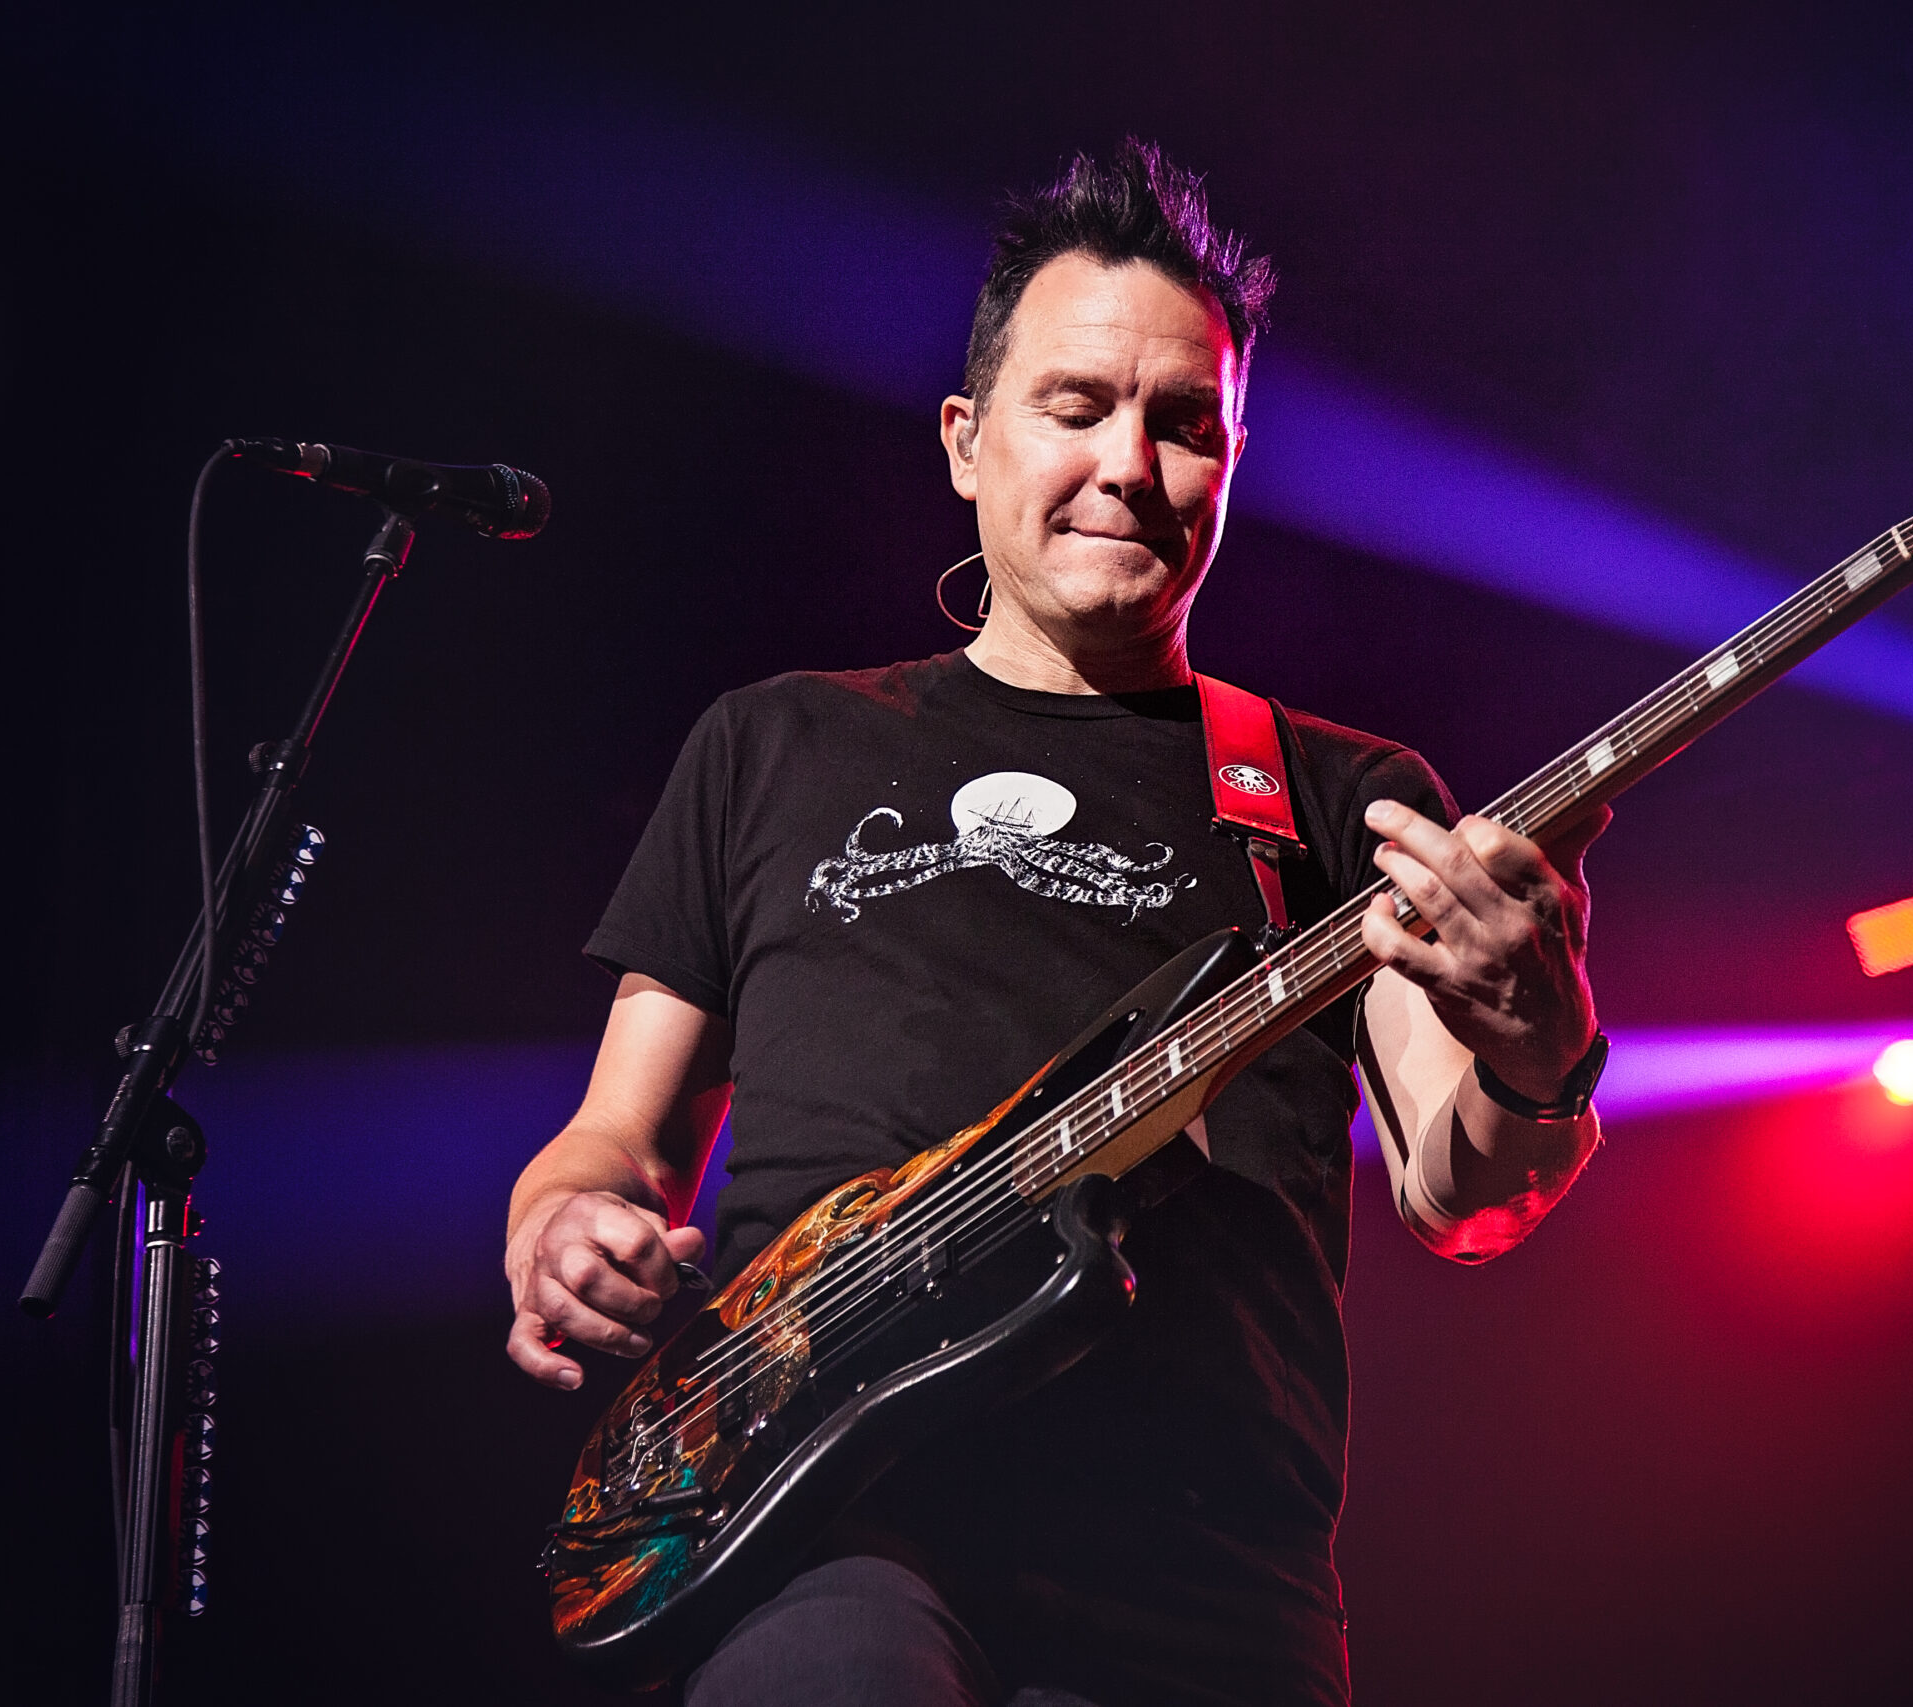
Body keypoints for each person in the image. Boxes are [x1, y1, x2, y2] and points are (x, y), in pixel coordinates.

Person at [503, 140, 1610, 1707]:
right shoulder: (774, 744)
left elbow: (1462, 1189)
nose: (1128, 465)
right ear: (967, 442)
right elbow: (611, 1143)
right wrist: (562, 1232)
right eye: (1076, 407)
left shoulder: (1338, 796)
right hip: (827, 1521)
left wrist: (1540, 1052)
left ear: (1232, 459)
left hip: (1201, 1571)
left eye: (1184, 425)